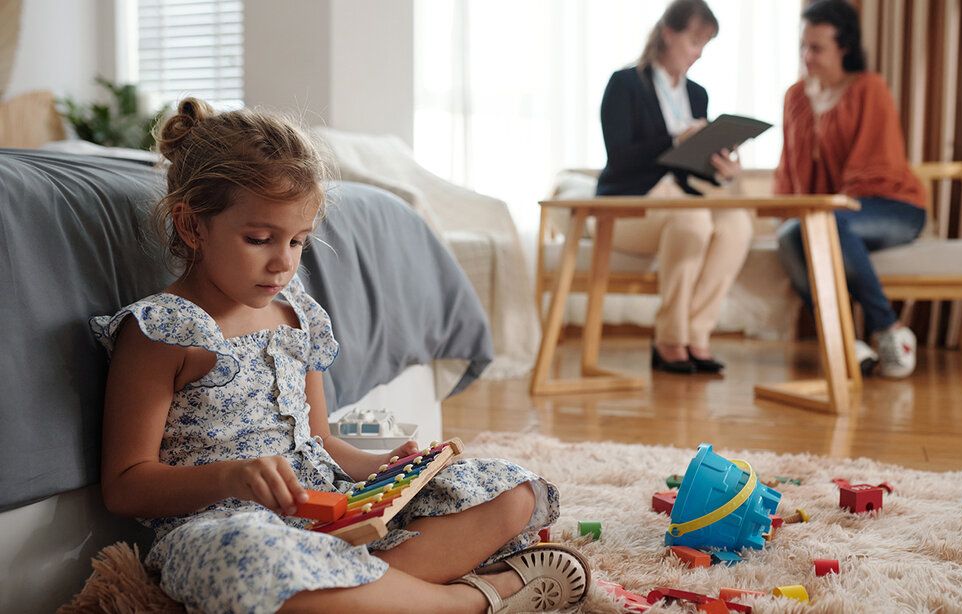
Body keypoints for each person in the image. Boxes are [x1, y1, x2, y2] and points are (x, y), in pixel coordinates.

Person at [90, 97, 590, 613]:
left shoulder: (297, 315)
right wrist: (229, 477)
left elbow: (321, 440)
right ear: (193, 227)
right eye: (260, 239)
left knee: (509, 492)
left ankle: (362, 597)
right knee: (250, 562)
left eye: (299, 242)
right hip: (235, 530)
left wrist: (382, 465)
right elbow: (126, 487)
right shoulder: (161, 330)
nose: (283, 262)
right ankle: (473, 599)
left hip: (334, 516)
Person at [596, 0, 753, 375]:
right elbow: (620, 158)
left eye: (704, 46)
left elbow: (688, 173)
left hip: (677, 200)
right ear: (668, 33)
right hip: (625, 207)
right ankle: (669, 338)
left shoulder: (697, 94)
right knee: (692, 221)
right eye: (693, 42)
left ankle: (696, 335)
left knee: (737, 225)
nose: (698, 54)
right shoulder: (625, 84)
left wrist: (723, 170)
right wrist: (675, 140)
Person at [774, 0, 926, 379]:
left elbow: (878, 165)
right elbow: (789, 167)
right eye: (803, 46)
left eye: (817, 48)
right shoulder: (795, 97)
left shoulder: (869, 89)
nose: (808, 56)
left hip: (893, 206)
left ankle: (887, 329)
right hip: (832, 213)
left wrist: (827, 207)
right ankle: (841, 338)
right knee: (791, 234)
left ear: (844, 47)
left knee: (826, 223)